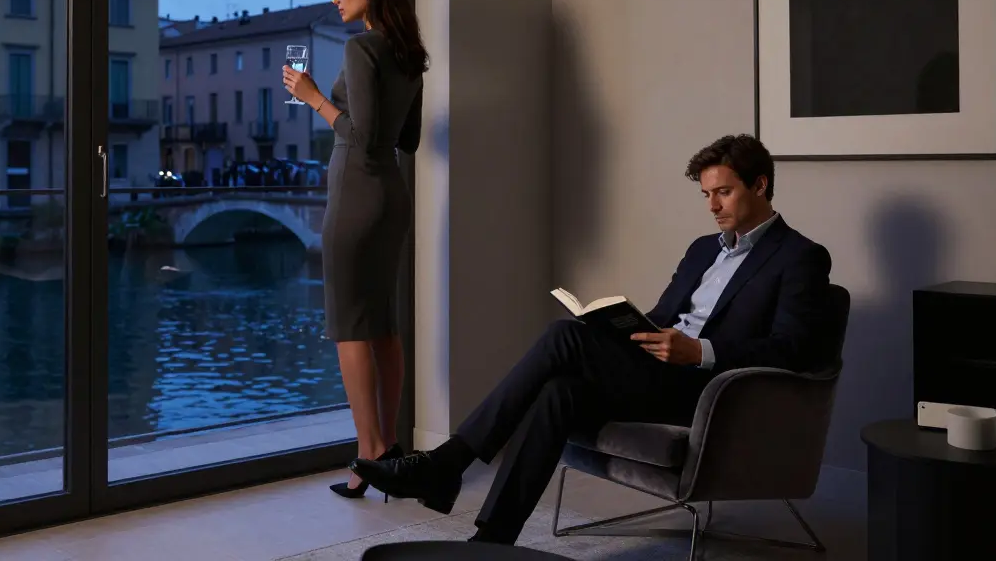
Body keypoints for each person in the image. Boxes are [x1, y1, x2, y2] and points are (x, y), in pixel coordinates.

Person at [351, 134, 836, 543]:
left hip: (709, 391)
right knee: (559, 391)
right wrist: (622, 326)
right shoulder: (702, 250)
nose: (712, 205)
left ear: (761, 184)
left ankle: (446, 463)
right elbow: (666, 317)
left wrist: (702, 352)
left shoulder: (800, 257)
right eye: (706, 194)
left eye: (724, 193)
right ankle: (493, 537)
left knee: (564, 337)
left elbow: (795, 349)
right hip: (658, 369)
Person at [282, 0, 427, 500]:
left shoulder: (362, 47)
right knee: (383, 326)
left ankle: (369, 456)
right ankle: (387, 449)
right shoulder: (410, 54)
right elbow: (405, 140)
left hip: (356, 196)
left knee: (349, 325)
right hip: (392, 195)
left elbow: (361, 137)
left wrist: (314, 96)